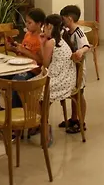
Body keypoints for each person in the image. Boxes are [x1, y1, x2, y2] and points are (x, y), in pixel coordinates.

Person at [0, 8, 45, 112]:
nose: (27, 25)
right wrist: (13, 48)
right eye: (26, 22)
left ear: (39, 24)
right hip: (20, 66)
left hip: (32, 70)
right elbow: (22, 51)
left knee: (17, 82)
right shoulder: (28, 34)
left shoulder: (41, 38)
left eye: (30, 23)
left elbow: (40, 60)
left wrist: (23, 50)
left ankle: (17, 112)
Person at [40, 14, 76, 146]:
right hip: (68, 78)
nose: (43, 30)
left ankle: (43, 125)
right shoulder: (63, 39)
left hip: (59, 79)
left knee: (35, 90)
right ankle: (41, 123)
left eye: (44, 27)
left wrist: (42, 43)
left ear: (49, 26)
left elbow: (45, 63)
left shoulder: (51, 42)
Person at [59, 5, 89, 134]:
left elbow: (86, 46)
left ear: (69, 19)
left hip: (79, 69)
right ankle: (73, 118)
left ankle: (81, 121)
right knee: (74, 94)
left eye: (63, 18)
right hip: (71, 69)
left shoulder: (78, 33)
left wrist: (81, 51)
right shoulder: (66, 32)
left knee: (79, 94)